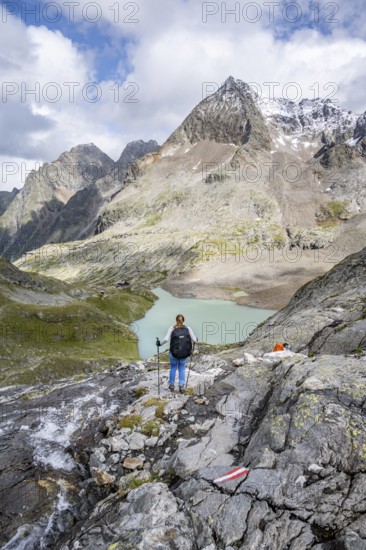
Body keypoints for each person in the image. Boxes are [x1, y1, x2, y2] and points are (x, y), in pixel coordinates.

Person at [157, 314, 197, 393]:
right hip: (184, 354)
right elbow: (194, 340)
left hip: (174, 353)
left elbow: (166, 339)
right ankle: (181, 386)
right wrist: (196, 339)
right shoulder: (188, 328)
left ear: (176, 320)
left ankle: (171, 385)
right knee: (182, 369)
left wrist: (159, 343)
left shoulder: (172, 328)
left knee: (173, 368)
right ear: (183, 320)